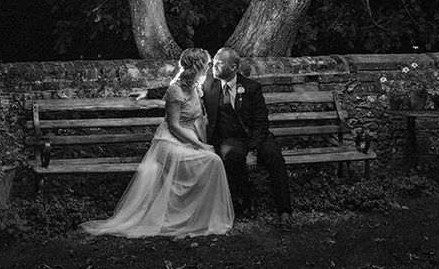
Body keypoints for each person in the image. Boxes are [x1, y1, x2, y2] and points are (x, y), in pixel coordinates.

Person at [79, 48, 234, 238]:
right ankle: (179, 216)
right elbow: (174, 126)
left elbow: (199, 121)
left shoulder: (196, 87)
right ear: (198, 66)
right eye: (207, 64)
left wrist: (206, 144)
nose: (209, 67)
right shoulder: (175, 90)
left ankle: (200, 215)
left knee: (213, 160)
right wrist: (200, 146)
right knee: (212, 161)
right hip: (169, 141)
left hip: (188, 138)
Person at [139, 47, 294, 228]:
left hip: (258, 137)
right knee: (232, 156)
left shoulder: (252, 88)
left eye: (219, 63)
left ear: (233, 67)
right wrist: (148, 93)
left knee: (275, 157)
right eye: (213, 62)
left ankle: (285, 212)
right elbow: (179, 88)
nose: (213, 66)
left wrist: (253, 149)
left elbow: (261, 122)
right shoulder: (208, 83)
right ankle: (244, 203)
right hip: (230, 138)